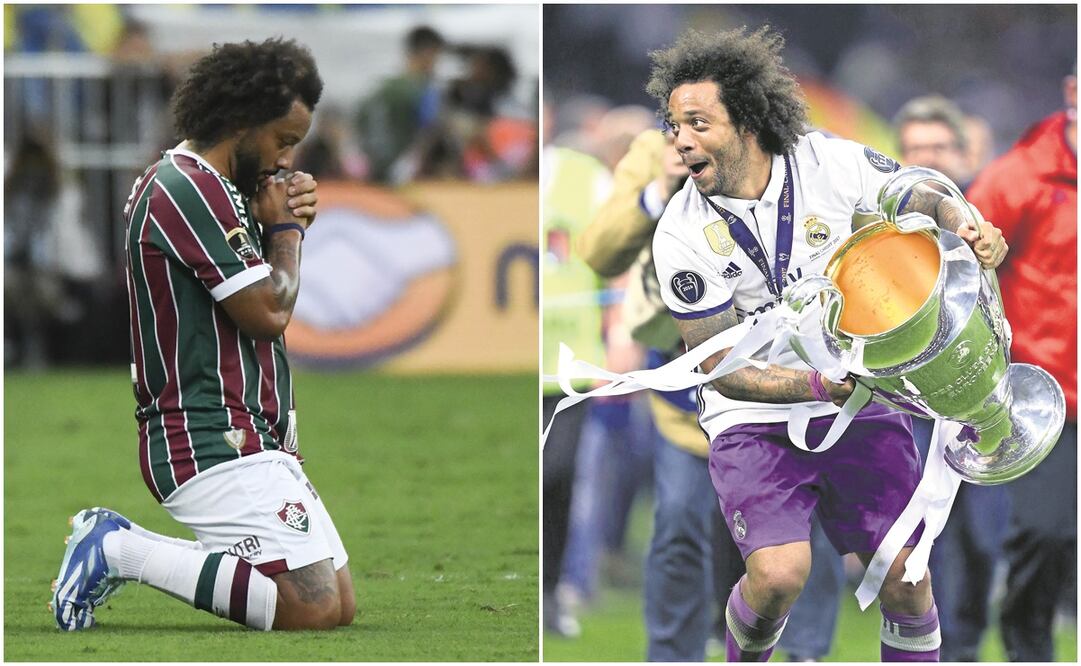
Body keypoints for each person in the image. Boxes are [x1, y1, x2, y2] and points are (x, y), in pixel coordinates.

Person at [646, 26, 1006, 662]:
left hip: (858, 407)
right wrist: (817, 384)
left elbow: (914, 194)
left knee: (909, 576)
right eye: (675, 126)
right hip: (755, 417)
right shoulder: (681, 232)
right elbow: (716, 365)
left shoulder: (826, 161)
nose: (680, 141)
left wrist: (965, 225)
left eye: (697, 123)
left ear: (748, 119)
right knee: (780, 575)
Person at [50, 37, 355, 633]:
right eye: (282, 140)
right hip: (207, 433)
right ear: (240, 121)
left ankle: (125, 548)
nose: (285, 160)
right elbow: (269, 311)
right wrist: (288, 232)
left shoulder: (222, 188)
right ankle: (115, 548)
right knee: (308, 607)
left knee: (337, 603)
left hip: (256, 433)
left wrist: (280, 221)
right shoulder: (181, 188)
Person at [578, 127, 845, 661]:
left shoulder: (788, 157)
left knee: (803, 528)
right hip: (690, 384)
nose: (689, 134)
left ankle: (805, 653)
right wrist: (658, 189)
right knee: (678, 522)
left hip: (789, 385)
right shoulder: (651, 155)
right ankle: (673, 655)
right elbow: (598, 251)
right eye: (680, 120)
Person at [965, 71, 1077, 662]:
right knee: (1048, 533)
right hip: (1052, 391)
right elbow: (959, 261)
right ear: (1072, 92)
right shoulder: (1018, 176)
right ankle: (1026, 642)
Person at [893, 92, 1009, 662]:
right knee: (924, 528)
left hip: (982, 392)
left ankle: (968, 634)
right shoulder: (884, 229)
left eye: (939, 147)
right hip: (912, 401)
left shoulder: (994, 211)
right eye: (916, 149)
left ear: (964, 154)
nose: (929, 158)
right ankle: (946, 647)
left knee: (984, 534)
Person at [355, 26, 445, 183]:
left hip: (370, 170)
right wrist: (409, 165)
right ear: (428, 53)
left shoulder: (382, 87)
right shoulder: (424, 90)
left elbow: (359, 120)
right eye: (437, 56)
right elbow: (429, 130)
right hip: (404, 174)